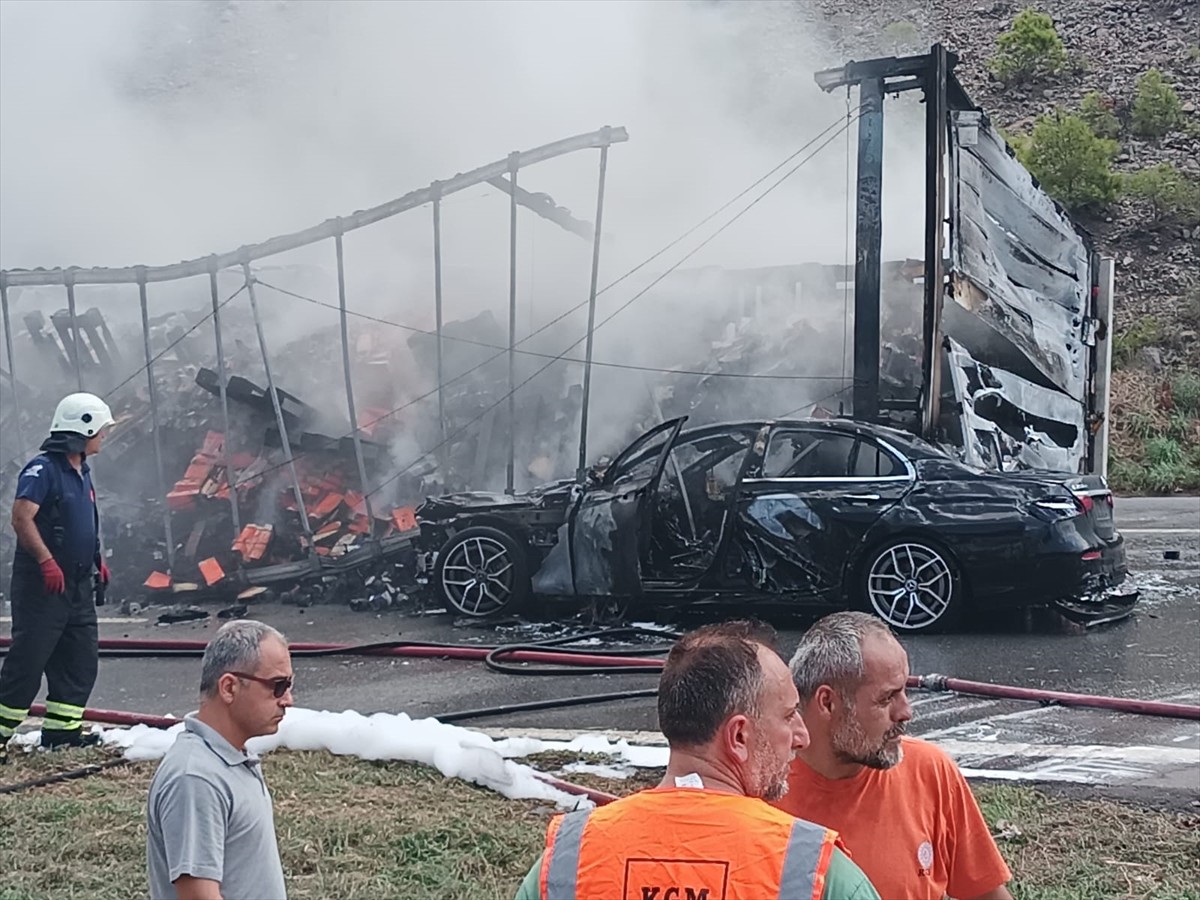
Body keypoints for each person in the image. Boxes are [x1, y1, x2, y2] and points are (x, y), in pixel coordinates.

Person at [515, 620, 880, 900]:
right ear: (738, 737)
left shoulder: (569, 860)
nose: (802, 736)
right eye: (787, 716)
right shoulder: (812, 871)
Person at [773, 611, 1014, 900]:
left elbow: (986, 894)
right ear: (828, 703)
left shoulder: (929, 769)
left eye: (904, 692)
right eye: (887, 698)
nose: (905, 712)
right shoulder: (761, 788)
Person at [146, 619, 294, 900]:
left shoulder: (229, 757)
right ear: (229, 688)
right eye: (278, 685)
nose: (288, 699)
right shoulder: (196, 778)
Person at [0, 392, 114, 754]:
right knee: (28, 662)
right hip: (44, 586)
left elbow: (84, 522)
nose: (104, 437)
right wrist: (46, 561)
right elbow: (21, 517)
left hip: (78, 585)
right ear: (83, 428)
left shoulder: (81, 471)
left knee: (79, 661)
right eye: (101, 429)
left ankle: (63, 734)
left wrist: (98, 561)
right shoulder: (43, 470)